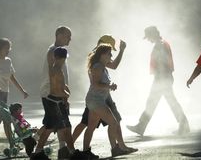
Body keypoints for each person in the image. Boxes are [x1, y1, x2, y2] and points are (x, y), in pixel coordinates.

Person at [72, 35, 137, 157]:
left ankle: (86, 152)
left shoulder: (101, 64)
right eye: (109, 53)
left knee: (90, 126)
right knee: (113, 123)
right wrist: (109, 86)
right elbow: (95, 84)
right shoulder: (98, 66)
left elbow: (111, 68)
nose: (111, 56)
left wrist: (109, 86)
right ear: (102, 54)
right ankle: (114, 148)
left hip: (97, 100)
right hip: (96, 101)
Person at [127, 26, 189, 136]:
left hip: (162, 77)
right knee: (168, 102)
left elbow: (162, 62)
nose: (148, 40)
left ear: (153, 34)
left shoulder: (160, 45)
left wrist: (159, 78)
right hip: (164, 77)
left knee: (154, 102)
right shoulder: (162, 43)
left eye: (148, 37)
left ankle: (141, 126)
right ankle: (184, 125)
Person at [31, 47, 79, 160]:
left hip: (55, 101)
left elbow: (61, 87)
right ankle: (72, 153)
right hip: (54, 102)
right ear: (62, 58)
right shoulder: (56, 70)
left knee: (53, 127)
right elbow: (55, 91)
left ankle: (38, 152)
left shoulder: (57, 69)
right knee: (63, 127)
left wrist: (65, 93)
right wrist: (66, 94)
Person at [0, 38, 29, 156]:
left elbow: (12, 77)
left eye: (9, 48)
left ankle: (11, 145)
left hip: (5, 94)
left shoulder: (8, 61)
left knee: (6, 120)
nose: (8, 50)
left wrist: (22, 90)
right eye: (5, 48)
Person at [38, 26, 72, 159]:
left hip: (58, 94)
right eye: (67, 35)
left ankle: (63, 150)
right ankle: (37, 151)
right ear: (59, 35)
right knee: (55, 125)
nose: (70, 39)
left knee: (57, 124)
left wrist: (64, 92)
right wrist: (61, 94)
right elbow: (53, 74)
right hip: (51, 94)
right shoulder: (53, 51)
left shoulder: (61, 52)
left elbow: (61, 75)